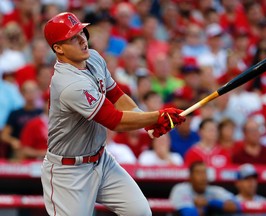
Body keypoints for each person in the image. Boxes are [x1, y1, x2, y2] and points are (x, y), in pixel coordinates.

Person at [41, 12, 185, 216]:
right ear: (58, 48)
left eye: (82, 32)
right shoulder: (68, 83)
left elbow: (117, 95)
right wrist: (156, 117)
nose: (83, 39)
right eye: (74, 37)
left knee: (140, 212)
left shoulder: (95, 58)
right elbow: (114, 120)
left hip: (101, 159)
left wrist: (145, 121)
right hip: (68, 171)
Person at [169, 160, 241, 216]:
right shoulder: (180, 189)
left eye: (204, 173)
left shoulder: (215, 190)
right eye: (198, 173)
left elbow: (235, 206)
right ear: (190, 177)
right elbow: (188, 214)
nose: (203, 177)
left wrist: (209, 202)